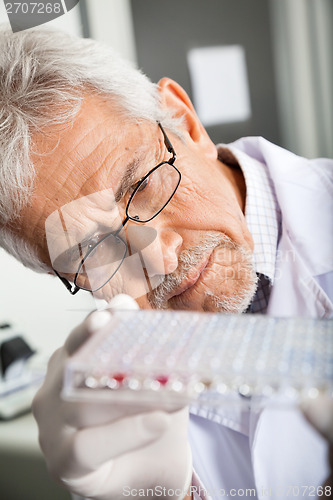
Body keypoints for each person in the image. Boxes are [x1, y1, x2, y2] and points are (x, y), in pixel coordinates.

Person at [0, 26, 332, 499]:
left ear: (186, 122)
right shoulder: (111, 415)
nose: (157, 256)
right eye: (91, 250)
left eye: (143, 184)